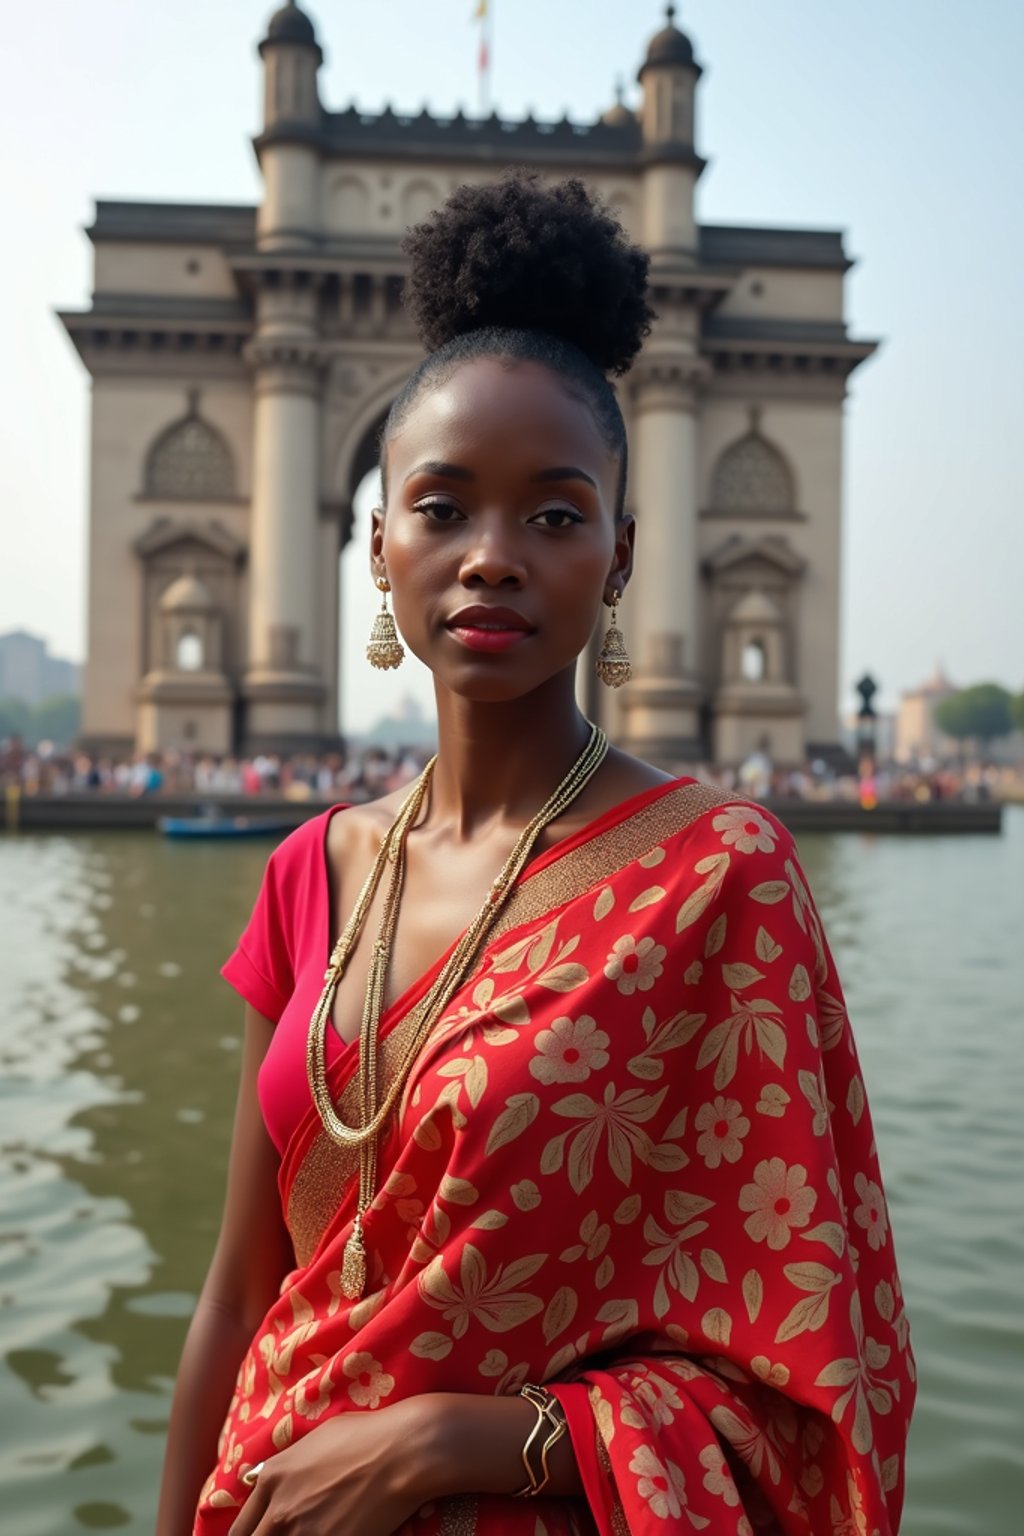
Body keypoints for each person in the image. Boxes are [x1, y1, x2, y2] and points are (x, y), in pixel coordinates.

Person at [156, 173, 914, 1536]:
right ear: (376, 542)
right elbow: (236, 1289)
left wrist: (463, 1439)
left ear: (622, 556)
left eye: (554, 516)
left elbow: (816, 1383)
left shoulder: (722, 878)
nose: (492, 557)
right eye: (442, 507)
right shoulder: (312, 869)